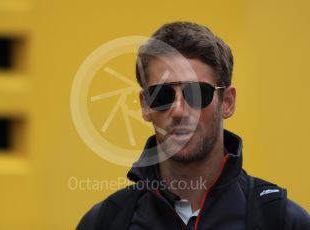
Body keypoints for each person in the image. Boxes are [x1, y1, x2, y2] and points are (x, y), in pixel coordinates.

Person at [77, 21, 310, 230]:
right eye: (162, 95)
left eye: (197, 93)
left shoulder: (283, 222)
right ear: (146, 106)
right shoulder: (104, 222)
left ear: (227, 102)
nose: (178, 110)